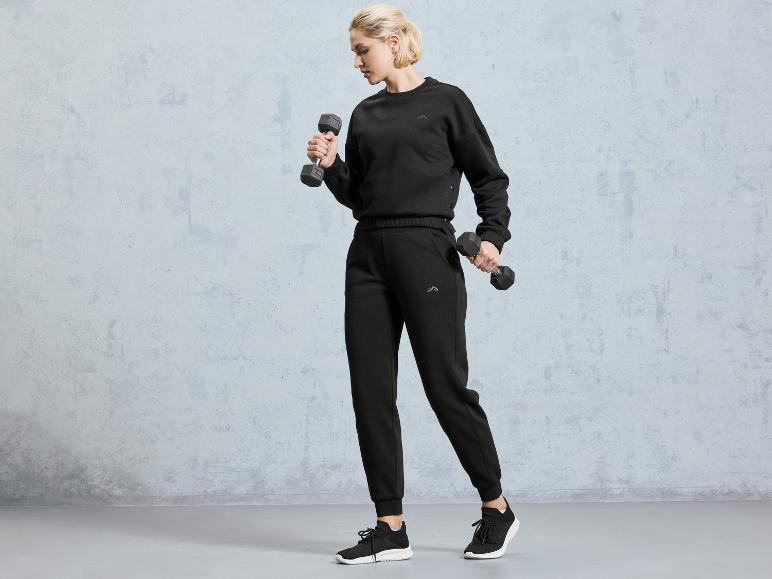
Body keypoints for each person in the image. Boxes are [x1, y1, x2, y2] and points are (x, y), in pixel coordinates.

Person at [305, 4, 520, 564]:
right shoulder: (364, 114)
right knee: (371, 390)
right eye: (354, 52)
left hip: (427, 252)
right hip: (367, 255)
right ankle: (390, 525)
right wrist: (333, 167)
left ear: (394, 42)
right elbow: (361, 196)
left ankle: (497, 507)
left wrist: (493, 235)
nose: (357, 62)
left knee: (444, 387)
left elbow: (489, 176)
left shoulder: (448, 101)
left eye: (363, 50)